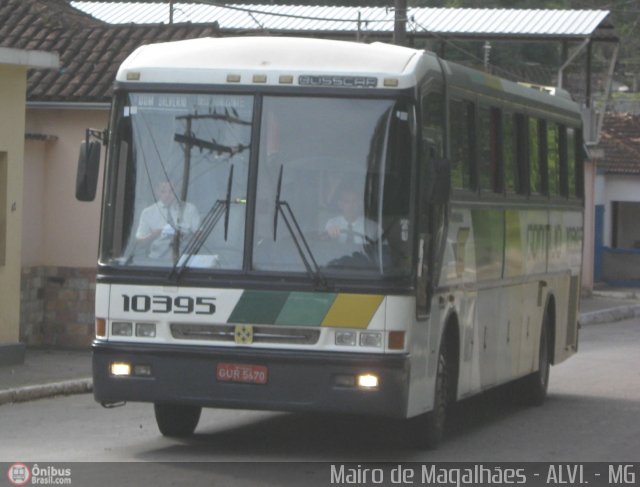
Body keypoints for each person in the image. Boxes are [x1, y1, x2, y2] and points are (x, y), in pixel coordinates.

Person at [135, 181, 200, 259]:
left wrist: (185, 236)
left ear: (177, 190)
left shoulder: (189, 209)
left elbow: (200, 237)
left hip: (185, 261)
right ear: (157, 192)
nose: (167, 195)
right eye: (163, 191)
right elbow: (140, 243)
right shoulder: (147, 213)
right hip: (156, 261)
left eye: (171, 191)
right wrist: (156, 234)